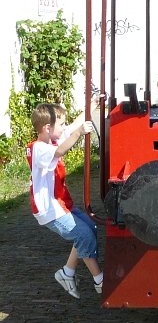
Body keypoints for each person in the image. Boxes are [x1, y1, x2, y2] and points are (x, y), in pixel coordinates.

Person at [26, 102, 103, 299]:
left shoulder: (51, 139)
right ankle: (100, 280)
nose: (64, 128)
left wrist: (91, 103)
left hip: (61, 204)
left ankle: (67, 273)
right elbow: (60, 150)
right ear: (47, 128)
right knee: (84, 236)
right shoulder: (38, 148)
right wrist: (78, 133)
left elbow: (70, 129)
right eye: (60, 124)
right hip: (50, 210)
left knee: (90, 228)